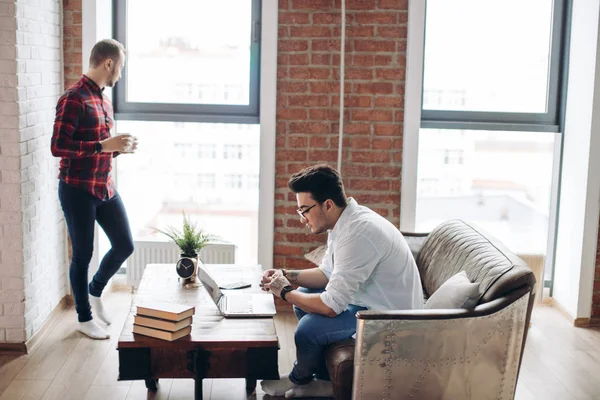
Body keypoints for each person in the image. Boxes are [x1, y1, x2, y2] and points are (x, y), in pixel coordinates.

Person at [260, 164, 424, 398]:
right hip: (367, 302)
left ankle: (300, 378)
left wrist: (284, 292)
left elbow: (330, 306)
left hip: (388, 318)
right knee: (303, 295)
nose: (302, 219)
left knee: (307, 330)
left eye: (304, 210)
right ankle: (322, 379)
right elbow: (327, 274)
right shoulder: (344, 222)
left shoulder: (359, 233)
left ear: (327, 204)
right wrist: (285, 274)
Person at [51, 39, 137, 340]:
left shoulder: (104, 100)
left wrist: (118, 149)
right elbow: (58, 147)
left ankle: (95, 290)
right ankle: (83, 317)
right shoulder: (73, 98)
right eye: (121, 68)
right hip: (76, 190)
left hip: (104, 187)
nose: (120, 75)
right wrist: (104, 145)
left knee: (125, 245)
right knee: (83, 255)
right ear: (108, 63)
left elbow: (99, 149)